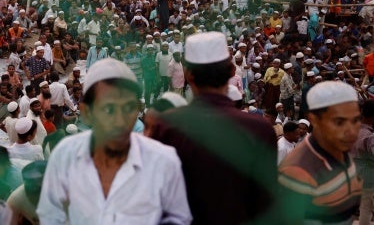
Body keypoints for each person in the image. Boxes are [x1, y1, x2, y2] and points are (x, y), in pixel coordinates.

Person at [37, 58, 192, 224]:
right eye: (109, 109)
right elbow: (50, 216)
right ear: (87, 112)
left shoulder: (164, 161)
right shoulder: (64, 156)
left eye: (129, 108)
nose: (120, 121)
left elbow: (178, 219)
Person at [150, 32, 279, 224]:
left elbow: (158, 199)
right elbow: (266, 203)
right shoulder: (260, 129)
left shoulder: (167, 126)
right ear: (230, 71)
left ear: (188, 75)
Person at [278, 81, 362, 224]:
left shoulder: (340, 149)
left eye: (354, 120)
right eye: (339, 121)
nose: (351, 130)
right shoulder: (299, 167)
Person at [351, 101, 374, 225]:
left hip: (356, 173)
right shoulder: (369, 136)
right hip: (369, 175)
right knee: (367, 206)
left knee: (365, 206)